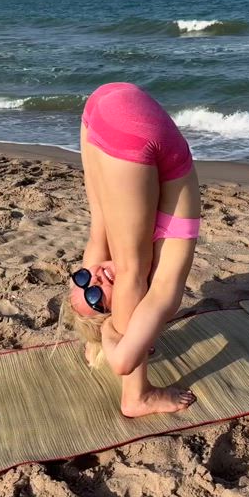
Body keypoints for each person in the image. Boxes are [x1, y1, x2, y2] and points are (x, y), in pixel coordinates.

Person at [65, 81, 201, 418]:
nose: (94, 278)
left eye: (81, 278)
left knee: (125, 263)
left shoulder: (122, 261)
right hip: (107, 108)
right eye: (97, 298)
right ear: (127, 310)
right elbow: (123, 357)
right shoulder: (164, 295)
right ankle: (135, 396)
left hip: (105, 110)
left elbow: (122, 357)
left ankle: (136, 397)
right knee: (130, 273)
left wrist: (108, 333)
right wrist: (115, 335)